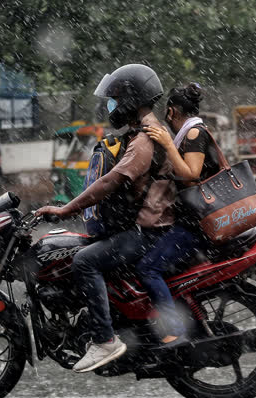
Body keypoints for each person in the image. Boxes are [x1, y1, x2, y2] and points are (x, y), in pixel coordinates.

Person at [35, 64, 174, 373]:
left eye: (114, 98)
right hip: (147, 227)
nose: (110, 105)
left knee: (84, 261)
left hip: (148, 232)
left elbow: (111, 181)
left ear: (130, 99)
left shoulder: (144, 140)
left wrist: (66, 209)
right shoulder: (145, 132)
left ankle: (105, 340)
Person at [137, 83, 220, 347]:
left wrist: (166, 144)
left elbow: (192, 173)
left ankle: (174, 331)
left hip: (195, 225)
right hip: (194, 220)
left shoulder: (194, 133)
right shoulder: (192, 131)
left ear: (172, 112)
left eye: (167, 115)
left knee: (148, 268)